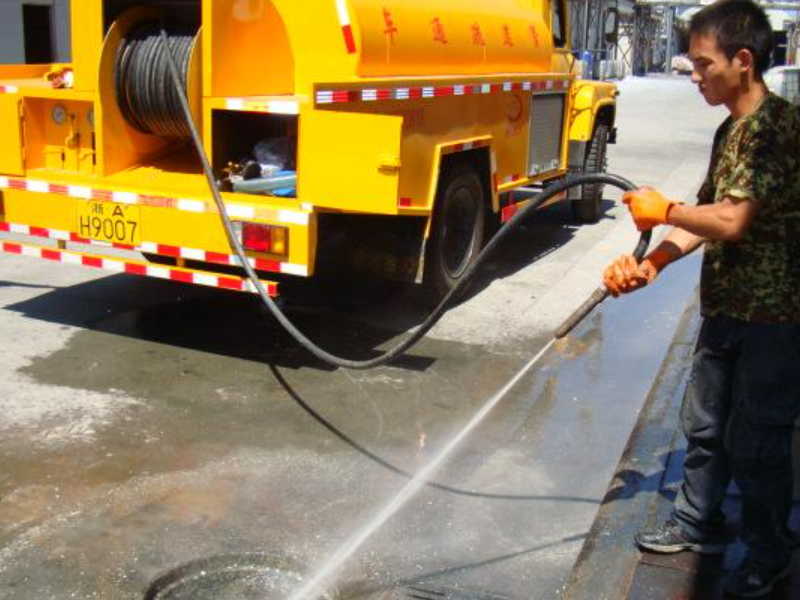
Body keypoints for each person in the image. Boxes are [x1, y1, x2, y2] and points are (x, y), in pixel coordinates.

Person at [602, 1, 800, 597]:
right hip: (726, 306)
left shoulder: (775, 128)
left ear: (742, 61)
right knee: (705, 423)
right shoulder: (731, 128)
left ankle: (770, 551)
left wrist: (665, 209)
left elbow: (732, 219)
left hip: (775, 315)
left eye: (702, 65)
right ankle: (698, 520)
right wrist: (652, 263)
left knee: (759, 441)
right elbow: (703, 216)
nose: (694, 76)